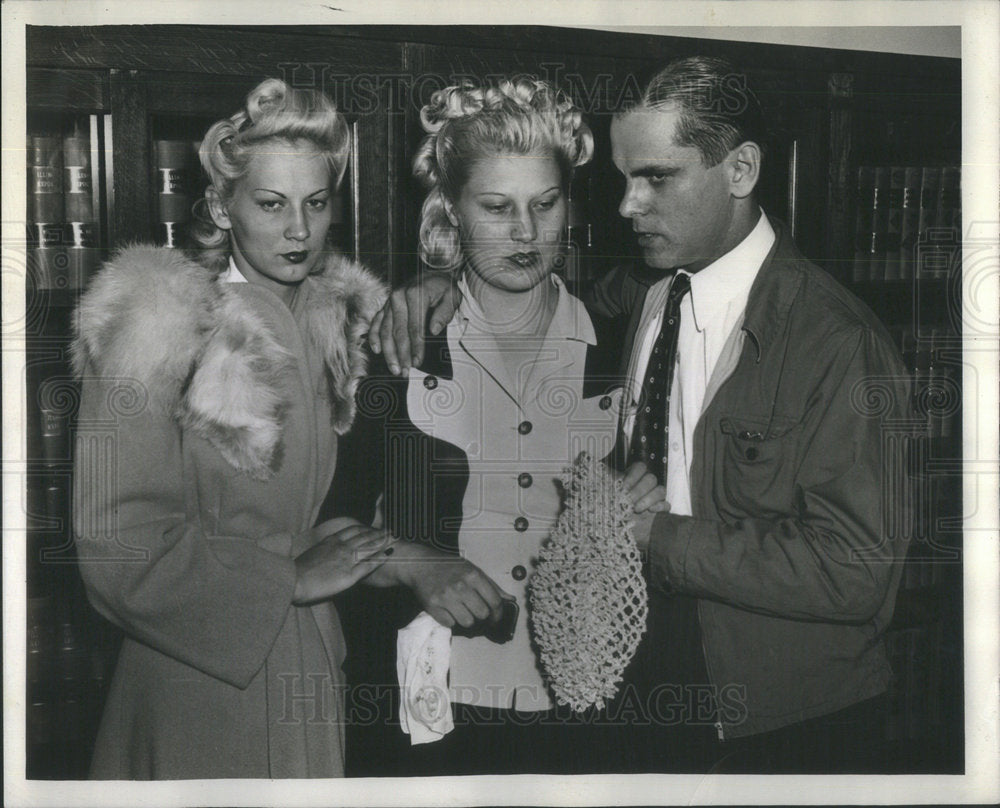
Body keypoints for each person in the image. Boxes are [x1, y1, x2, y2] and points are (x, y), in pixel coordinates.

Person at [368, 56, 912, 774]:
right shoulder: (638, 295)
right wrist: (434, 279)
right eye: (623, 179)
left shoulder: (837, 340)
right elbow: (511, 284)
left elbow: (856, 568)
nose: (626, 206)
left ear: (741, 170)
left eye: (657, 177)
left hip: (785, 724)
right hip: (632, 700)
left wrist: (654, 534)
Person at [322, 77, 665, 776]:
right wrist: (412, 561)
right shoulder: (396, 347)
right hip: (427, 712)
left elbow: (663, 511)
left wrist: (643, 502)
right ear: (449, 208)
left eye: (545, 204)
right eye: (496, 208)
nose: (526, 234)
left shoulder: (626, 339)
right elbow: (322, 529)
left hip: (586, 713)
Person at [71, 78, 392, 779]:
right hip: (198, 687)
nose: (299, 231)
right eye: (271, 204)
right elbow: (116, 550)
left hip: (310, 667)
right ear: (222, 204)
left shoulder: (339, 321)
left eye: (317, 203)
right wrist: (286, 581)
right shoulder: (156, 322)